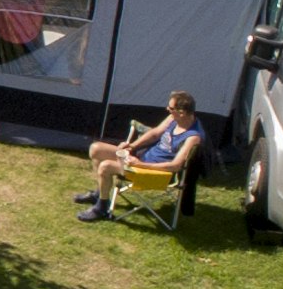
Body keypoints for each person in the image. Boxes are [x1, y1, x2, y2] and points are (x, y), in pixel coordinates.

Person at [79, 88, 202, 219]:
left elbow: (175, 166)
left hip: (155, 173)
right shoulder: (173, 118)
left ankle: (102, 208)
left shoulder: (192, 137)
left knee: (106, 166)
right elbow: (155, 133)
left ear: (182, 113)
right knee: (96, 148)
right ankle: (100, 193)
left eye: (171, 108)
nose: (167, 109)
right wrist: (132, 146)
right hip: (141, 160)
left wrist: (141, 165)